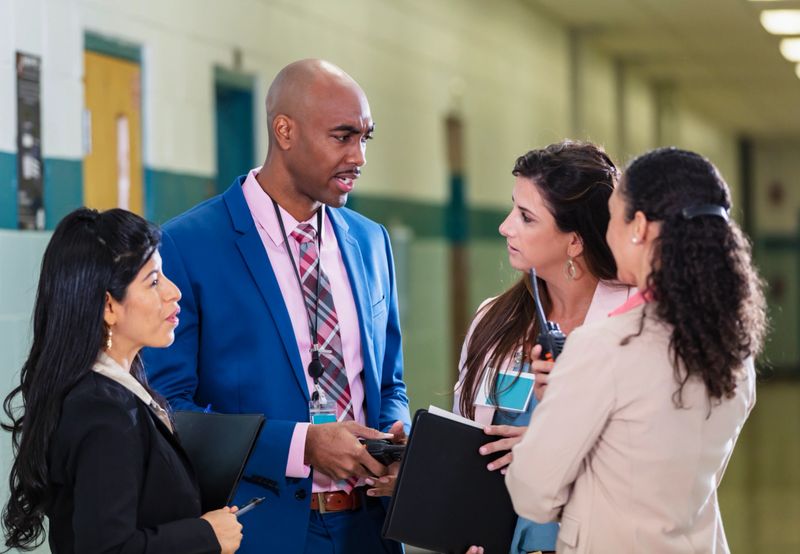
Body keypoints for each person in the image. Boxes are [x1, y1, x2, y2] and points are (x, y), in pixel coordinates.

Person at [141, 59, 410, 554]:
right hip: (258, 531)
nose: (359, 156)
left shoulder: (372, 243)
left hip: (370, 529)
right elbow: (167, 410)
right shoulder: (189, 245)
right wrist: (300, 445)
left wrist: (397, 435)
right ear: (284, 131)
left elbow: (390, 381)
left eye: (365, 138)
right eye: (342, 136)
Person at [506, 147, 766, 553]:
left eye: (612, 217)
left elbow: (532, 493)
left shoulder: (603, 347)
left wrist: (557, 407)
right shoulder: (733, 353)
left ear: (639, 227)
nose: (606, 235)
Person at [1, 208, 242, 554]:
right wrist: (205, 535)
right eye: (154, 281)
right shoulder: (104, 413)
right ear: (109, 307)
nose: (174, 292)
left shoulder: (114, 395)